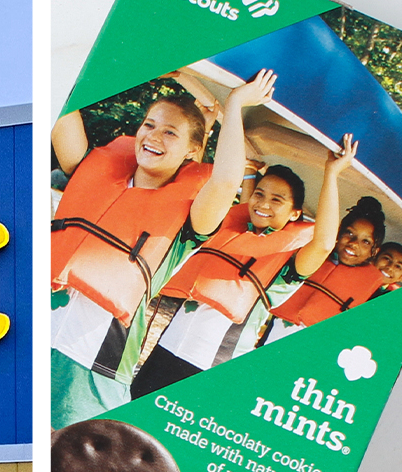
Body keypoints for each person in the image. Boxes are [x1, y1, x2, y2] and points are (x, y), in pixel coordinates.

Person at [49, 69, 274, 424]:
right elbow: (58, 102)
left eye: (170, 132)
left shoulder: (191, 219)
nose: (153, 137)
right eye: (149, 125)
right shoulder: (92, 169)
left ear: (192, 150)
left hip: (94, 364)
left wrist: (236, 104)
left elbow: (227, 179)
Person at [130, 136, 357, 398]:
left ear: (295, 213)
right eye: (259, 195)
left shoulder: (288, 267)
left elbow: (325, 242)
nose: (263, 204)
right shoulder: (230, 233)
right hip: (167, 348)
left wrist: (332, 173)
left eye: (277, 200)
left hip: (212, 368)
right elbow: (205, 187)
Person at [262, 197, 390, 343]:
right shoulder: (311, 255)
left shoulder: (373, 293)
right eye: (349, 233)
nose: (354, 243)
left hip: (316, 348)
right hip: (277, 334)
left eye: (366, 241)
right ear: (339, 233)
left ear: (374, 251)